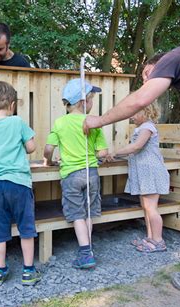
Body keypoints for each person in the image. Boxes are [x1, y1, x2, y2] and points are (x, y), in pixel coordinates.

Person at [83, 39, 180, 299]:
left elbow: (140, 99)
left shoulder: (171, 59)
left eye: (147, 74)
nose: (148, 81)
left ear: (157, 64)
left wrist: (98, 120)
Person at [0, 81, 40, 286]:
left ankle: (0, 270)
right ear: (12, 105)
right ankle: (28, 271)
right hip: (19, 183)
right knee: (26, 226)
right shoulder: (17, 122)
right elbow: (31, 147)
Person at [43, 78, 107, 269]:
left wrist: (49, 161)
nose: (92, 102)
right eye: (91, 98)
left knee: (77, 214)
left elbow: (48, 148)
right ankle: (89, 248)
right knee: (88, 211)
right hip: (91, 173)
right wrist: (99, 157)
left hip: (71, 174)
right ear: (83, 102)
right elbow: (102, 153)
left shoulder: (60, 123)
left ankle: (85, 252)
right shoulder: (93, 122)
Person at [105, 104, 170, 253]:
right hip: (143, 172)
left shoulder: (148, 127)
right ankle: (150, 238)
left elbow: (136, 147)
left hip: (150, 172)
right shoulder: (142, 128)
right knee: (146, 207)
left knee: (152, 208)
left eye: (135, 113)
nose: (131, 116)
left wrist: (115, 153)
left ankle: (158, 241)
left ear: (146, 112)